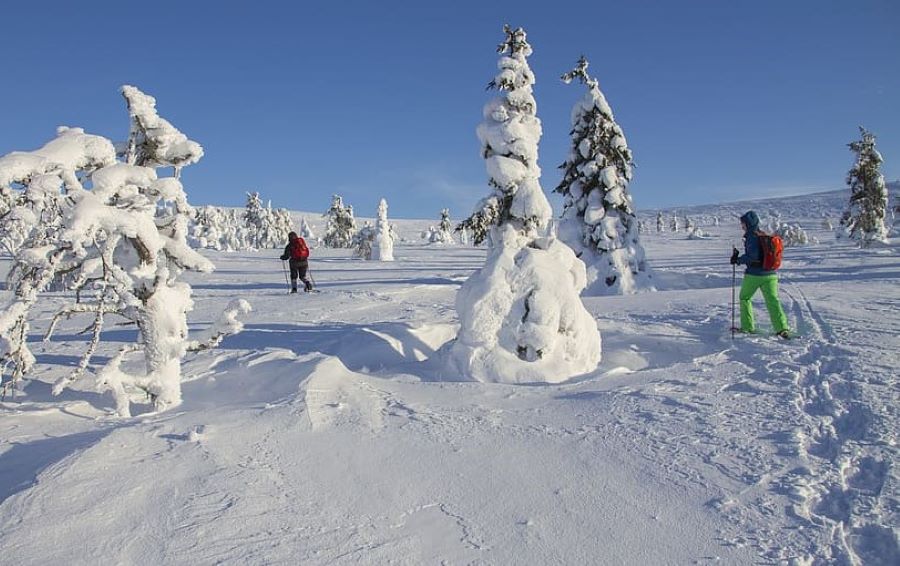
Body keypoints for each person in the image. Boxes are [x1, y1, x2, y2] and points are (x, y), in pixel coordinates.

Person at [730, 210, 790, 338]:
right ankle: (782, 328)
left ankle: (747, 327)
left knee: (745, 298)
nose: (742, 226)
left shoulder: (752, 236)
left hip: (754, 275)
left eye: (743, 224)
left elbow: (753, 256)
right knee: (773, 301)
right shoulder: (763, 234)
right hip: (771, 274)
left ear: (748, 224)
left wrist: (738, 259)